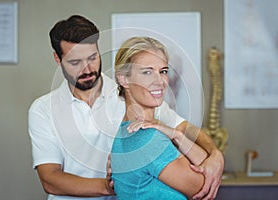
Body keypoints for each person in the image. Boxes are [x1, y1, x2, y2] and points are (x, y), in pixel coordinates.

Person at [28, 14, 224, 200]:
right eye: (75, 62)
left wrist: (216, 155)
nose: (87, 69)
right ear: (57, 58)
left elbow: (184, 128)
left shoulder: (133, 93)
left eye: (92, 58)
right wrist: (113, 184)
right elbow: (50, 179)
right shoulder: (43, 109)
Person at [111, 36, 209, 199]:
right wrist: (176, 136)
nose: (160, 81)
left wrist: (176, 134)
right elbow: (205, 183)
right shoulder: (148, 138)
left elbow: (206, 166)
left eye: (163, 71)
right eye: (147, 72)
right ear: (124, 79)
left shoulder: (125, 132)